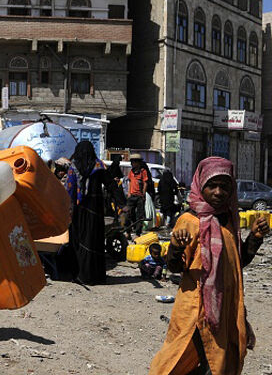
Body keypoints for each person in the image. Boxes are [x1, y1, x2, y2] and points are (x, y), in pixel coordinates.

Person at [149, 157, 269, 375]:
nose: (218, 192)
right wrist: (175, 246)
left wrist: (255, 238)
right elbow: (175, 267)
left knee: (217, 363)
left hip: (224, 309)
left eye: (224, 187)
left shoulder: (230, 219)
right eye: (211, 186)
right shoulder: (189, 220)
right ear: (200, 185)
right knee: (176, 360)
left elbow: (237, 263)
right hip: (195, 310)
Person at [64, 141, 125, 285]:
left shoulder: (73, 167)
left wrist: (67, 208)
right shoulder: (98, 166)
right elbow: (111, 185)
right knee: (94, 241)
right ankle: (95, 276)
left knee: (79, 241)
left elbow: (69, 190)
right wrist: (122, 203)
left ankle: (79, 274)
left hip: (79, 210)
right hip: (95, 210)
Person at [125, 153, 148, 237]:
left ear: (138, 163)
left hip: (139, 197)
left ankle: (138, 233)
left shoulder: (143, 172)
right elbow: (130, 182)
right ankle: (128, 232)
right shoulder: (131, 172)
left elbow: (145, 183)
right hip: (132, 196)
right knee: (128, 214)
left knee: (140, 216)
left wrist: (143, 194)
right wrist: (129, 193)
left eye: (133, 162)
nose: (132, 164)